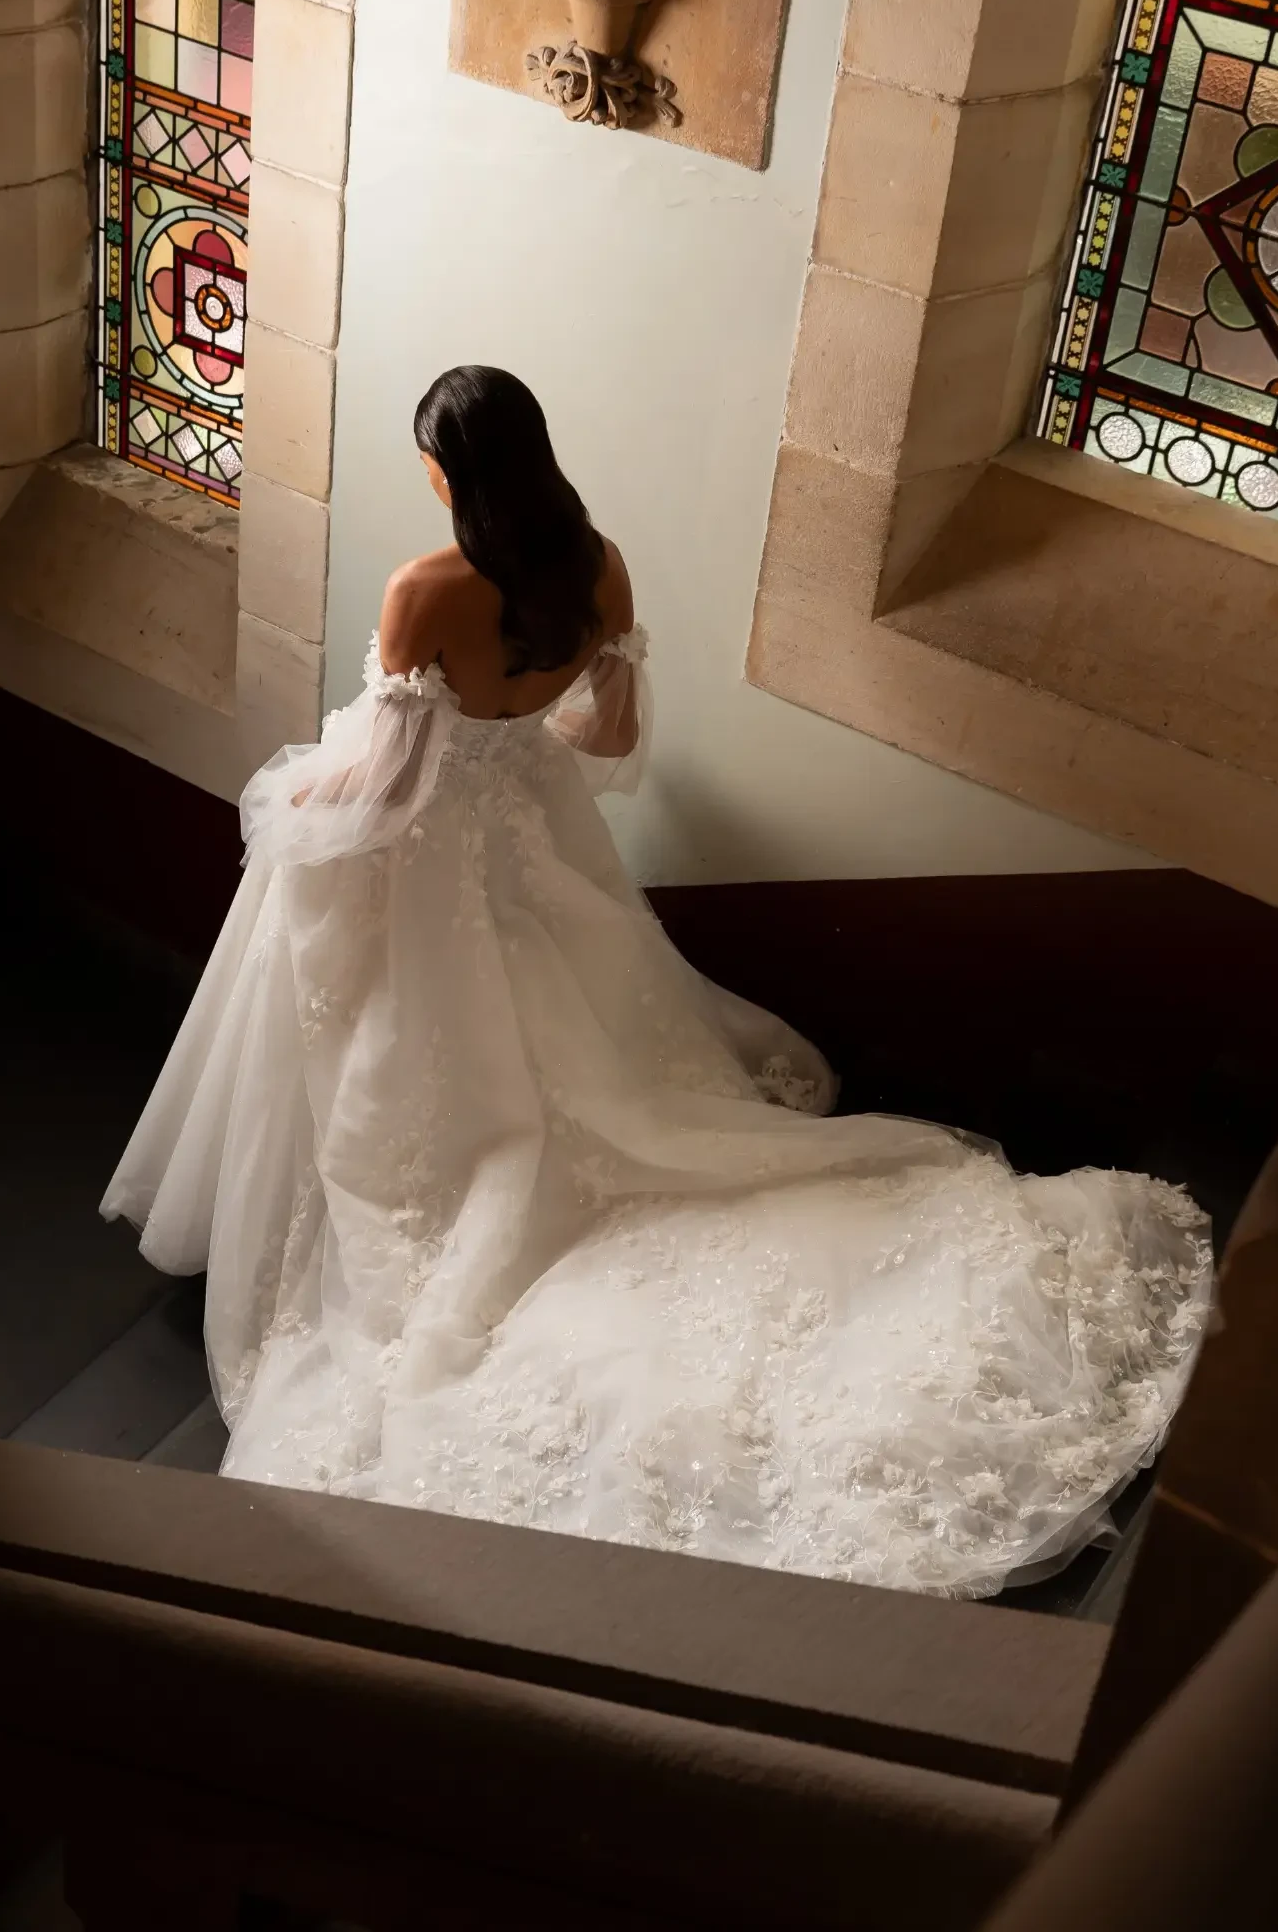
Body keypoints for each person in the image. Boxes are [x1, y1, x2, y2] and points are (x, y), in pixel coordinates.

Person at [103, 366, 1210, 1595]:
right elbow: (611, 735)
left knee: (377, 1019)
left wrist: (294, 799)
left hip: (426, 867)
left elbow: (388, 784)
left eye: (430, 460)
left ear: (455, 473)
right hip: (531, 831)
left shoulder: (425, 589)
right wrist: (510, 753)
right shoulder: (598, 566)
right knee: (571, 1030)